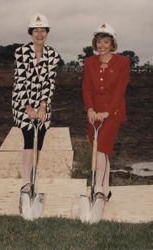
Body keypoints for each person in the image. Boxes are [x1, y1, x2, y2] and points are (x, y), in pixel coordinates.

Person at [12, 13, 60, 193]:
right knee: (28, 135)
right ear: (31, 32)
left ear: (47, 32)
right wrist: (28, 107)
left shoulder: (53, 55)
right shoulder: (20, 52)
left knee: (38, 140)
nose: (39, 34)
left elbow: (50, 82)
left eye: (43, 30)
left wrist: (42, 106)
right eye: (36, 30)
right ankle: (25, 182)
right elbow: (20, 80)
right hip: (22, 101)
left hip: (43, 102)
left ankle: (33, 176)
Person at [82, 23, 130, 201]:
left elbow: (120, 90)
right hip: (93, 115)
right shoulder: (89, 62)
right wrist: (90, 109)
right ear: (95, 43)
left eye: (106, 42)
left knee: (101, 150)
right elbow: (86, 88)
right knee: (101, 151)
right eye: (99, 42)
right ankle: (106, 189)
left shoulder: (123, 62)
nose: (102, 45)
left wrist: (108, 112)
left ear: (112, 44)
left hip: (112, 113)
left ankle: (98, 190)